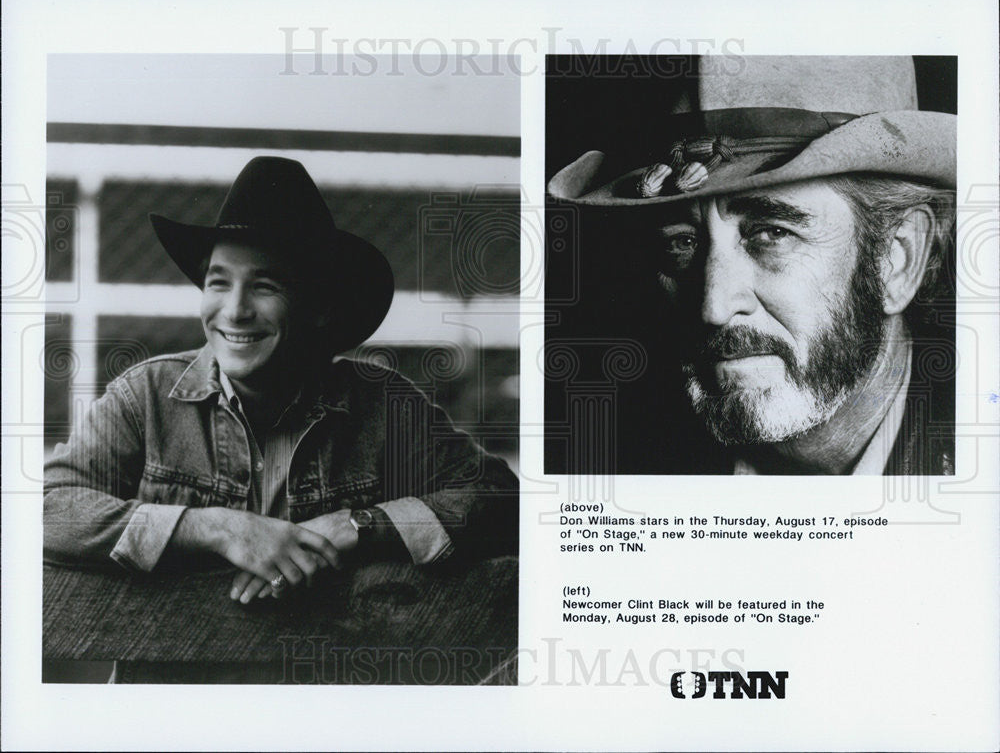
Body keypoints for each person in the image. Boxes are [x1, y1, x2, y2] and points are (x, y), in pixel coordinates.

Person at [45, 156, 518, 609]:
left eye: (265, 286)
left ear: (319, 307)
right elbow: (48, 510)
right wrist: (219, 528)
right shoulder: (144, 398)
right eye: (218, 283)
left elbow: (500, 499)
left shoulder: (382, 406)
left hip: (321, 684)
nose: (234, 311)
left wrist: (357, 525)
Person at [547, 56, 955, 475]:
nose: (714, 307)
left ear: (898, 258)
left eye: (771, 234)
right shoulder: (606, 465)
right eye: (682, 243)